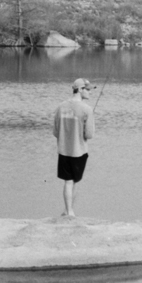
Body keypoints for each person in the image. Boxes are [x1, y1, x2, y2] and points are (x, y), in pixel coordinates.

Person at [52, 78, 95, 217]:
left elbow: (55, 132)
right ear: (80, 90)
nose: (89, 92)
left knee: (69, 181)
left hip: (63, 150)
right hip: (79, 152)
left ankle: (68, 210)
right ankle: (70, 212)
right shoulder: (87, 109)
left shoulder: (60, 107)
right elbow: (89, 135)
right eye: (87, 89)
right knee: (73, 181)